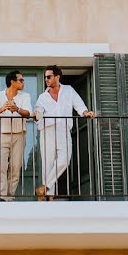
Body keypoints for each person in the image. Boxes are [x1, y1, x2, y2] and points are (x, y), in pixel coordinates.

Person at [33, 65, 95, 200]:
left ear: (57, 77)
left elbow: (79, 105)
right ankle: (49, 196)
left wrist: (85, 112)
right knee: (47, 163)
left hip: (64, 129)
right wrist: (36, 114)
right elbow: (38, 110)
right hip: (47, 130)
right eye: (45, 77)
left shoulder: (68, 90)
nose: (46, 80)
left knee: (64, 160)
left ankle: (45, 187)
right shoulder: (43, 97)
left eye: (49, 77)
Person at [0, 70, 32, 200]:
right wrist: (2, 108)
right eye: (21, 80)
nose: (23, 82)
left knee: (16, 167)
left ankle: (10, 197)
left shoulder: (25, 96)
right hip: (2, 134)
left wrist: (17, 109)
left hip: (19, 135)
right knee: (0, 164)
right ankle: (2, 196)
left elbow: (28, 113)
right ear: (12, 82)